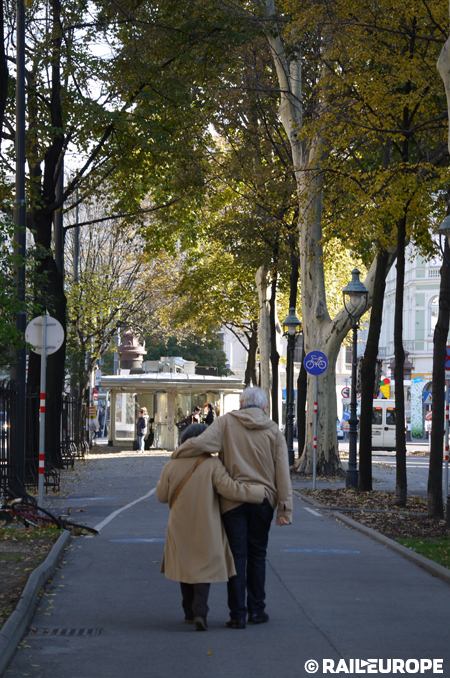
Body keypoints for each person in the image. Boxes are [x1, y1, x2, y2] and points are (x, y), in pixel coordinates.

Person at [175, 386, 292, 629]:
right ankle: (257, 611)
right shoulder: (273, 430)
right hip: (264, 501)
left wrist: (179, 452)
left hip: (233, 502)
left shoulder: (226, 423)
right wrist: (284, 509)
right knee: (258, 555)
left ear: (241, 404)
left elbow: (201, 443)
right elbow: (282, 472)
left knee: (236, 557)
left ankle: (237, 615)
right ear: (264, 407)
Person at [156, 423, 265, 632]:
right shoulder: (212, 465)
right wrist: (258, 493)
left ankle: (188, 612)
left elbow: (161, 496)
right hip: (206, 524)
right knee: (202, 569)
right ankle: (200, 612)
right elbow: (230, 490)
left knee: (184, 566)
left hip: (178, 524)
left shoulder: (171, 465)